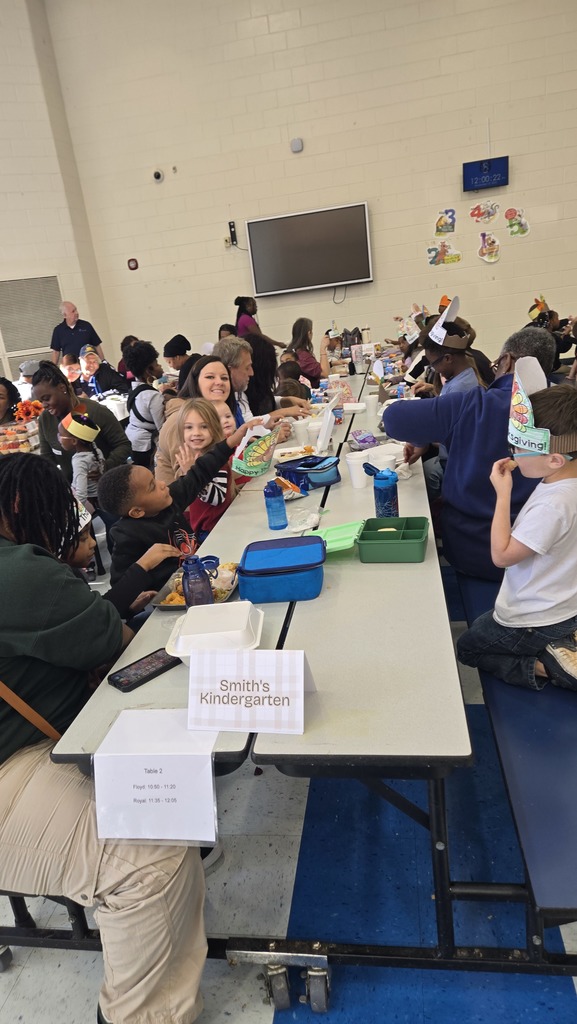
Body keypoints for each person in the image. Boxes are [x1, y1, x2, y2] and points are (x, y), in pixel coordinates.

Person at [0, 454, 207, 1024]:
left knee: (164, 805)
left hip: (29, 747)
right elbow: (111, 640)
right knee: (152, 857)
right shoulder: (19, 572)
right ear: (19, 505)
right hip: (16, 762)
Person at [383, 327, 556, 581]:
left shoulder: (473, 405)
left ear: (506, 361)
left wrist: (429, 431)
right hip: (542, 555)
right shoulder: (565, 410)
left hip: (473, 549)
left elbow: (393, 419)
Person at [457, 363, 577, 691]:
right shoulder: (562, 482)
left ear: (555, 459)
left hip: (538, 616)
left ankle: (548, 666)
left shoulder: (554, 505)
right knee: (485, 622)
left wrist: (503, 493)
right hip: (564, 602)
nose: (512, 453)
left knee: (468, 647)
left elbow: (502, 556)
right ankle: (563, 639)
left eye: (520, 448)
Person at [98, 416, 250, 591]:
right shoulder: (127, 536)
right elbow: (120, 586)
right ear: (137, 511)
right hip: (173, 596)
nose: (163, 484)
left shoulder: (169, 500)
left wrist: (230, 442)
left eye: (155, 479)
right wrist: (142, 584)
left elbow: (199, 473)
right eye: (153, 487)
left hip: (201, 577)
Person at [32, 362, 132, 481]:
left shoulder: (96, 411)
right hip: (73, 487)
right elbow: (47, 459)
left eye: (47, 399)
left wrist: (105, 466)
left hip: (106, 483)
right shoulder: (45, 419)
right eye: (41, 401)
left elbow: (123, 445)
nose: (44, 405)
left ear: (62, 388)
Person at [173, 398, 236, 543]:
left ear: (214, 428)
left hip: (214, 530)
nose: (196, 433)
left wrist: (191, 474)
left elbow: (217, 498)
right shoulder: (193, 458)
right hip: (200, 527)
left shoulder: (215, 460)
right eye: (189, 427)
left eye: (204, 426)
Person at [122, 341, 166, 468]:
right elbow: (162, 429)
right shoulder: (153, 396)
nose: (160, 366)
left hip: (132, 441)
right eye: (156, 364)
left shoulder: (134, 391)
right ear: (149, 371)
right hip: (146, 448)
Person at [57, 411, 105, 506]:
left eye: (60, 435)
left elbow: (81, 494)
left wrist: (73, 508)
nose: (59, 439)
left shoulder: (79, 461)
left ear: (74, 441)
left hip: (93, 501)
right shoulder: (96, 450)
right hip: (101, 494)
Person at [285, 318, 330, 388]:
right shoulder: (303, 356)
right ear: (309, 333)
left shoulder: (298, 351)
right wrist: (323, 349)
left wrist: (331, 363)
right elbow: (325, 373)